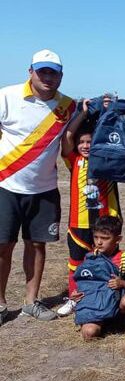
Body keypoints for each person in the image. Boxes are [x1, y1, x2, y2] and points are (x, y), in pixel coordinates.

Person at [0, 49, 76, 324]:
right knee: (3, 247)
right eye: (42, 71)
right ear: (30, 71)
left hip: (44, 189)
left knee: (37, 245)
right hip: (5, 185)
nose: (47, 77)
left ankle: (31, 301)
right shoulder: (5, 96)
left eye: (53, 72)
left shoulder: (68, 106)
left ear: (61, 76)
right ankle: (0, 304)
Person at [57, 98, 122, 317]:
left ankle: (105, 296)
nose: (86, 146)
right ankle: (74, 298)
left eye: (90, 142)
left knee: (106, 261)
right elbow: (66, 136)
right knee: (76, 262)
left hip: (104, 223)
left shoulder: (109, 159)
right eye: (82, 142)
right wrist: (83, 113)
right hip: (79, 222)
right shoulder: (73, 159)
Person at [69, 216, 125, 340]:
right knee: (89, 334)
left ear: (118, 239)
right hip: (97, 305)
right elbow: (84, 282)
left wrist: (123, 283)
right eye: (96, 237)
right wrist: (75, 294)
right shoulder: (90, 257)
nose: (99, 242)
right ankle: (103, 323)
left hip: (119, 306)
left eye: (105, 238)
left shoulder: (124, 259)